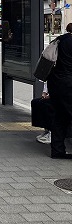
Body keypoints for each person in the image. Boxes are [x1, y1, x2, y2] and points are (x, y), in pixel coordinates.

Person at [47, 22, 72, 159]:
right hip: (68, 84)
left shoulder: (60, 40)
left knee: (59, 116)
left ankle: (57, 150)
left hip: (55, 83)